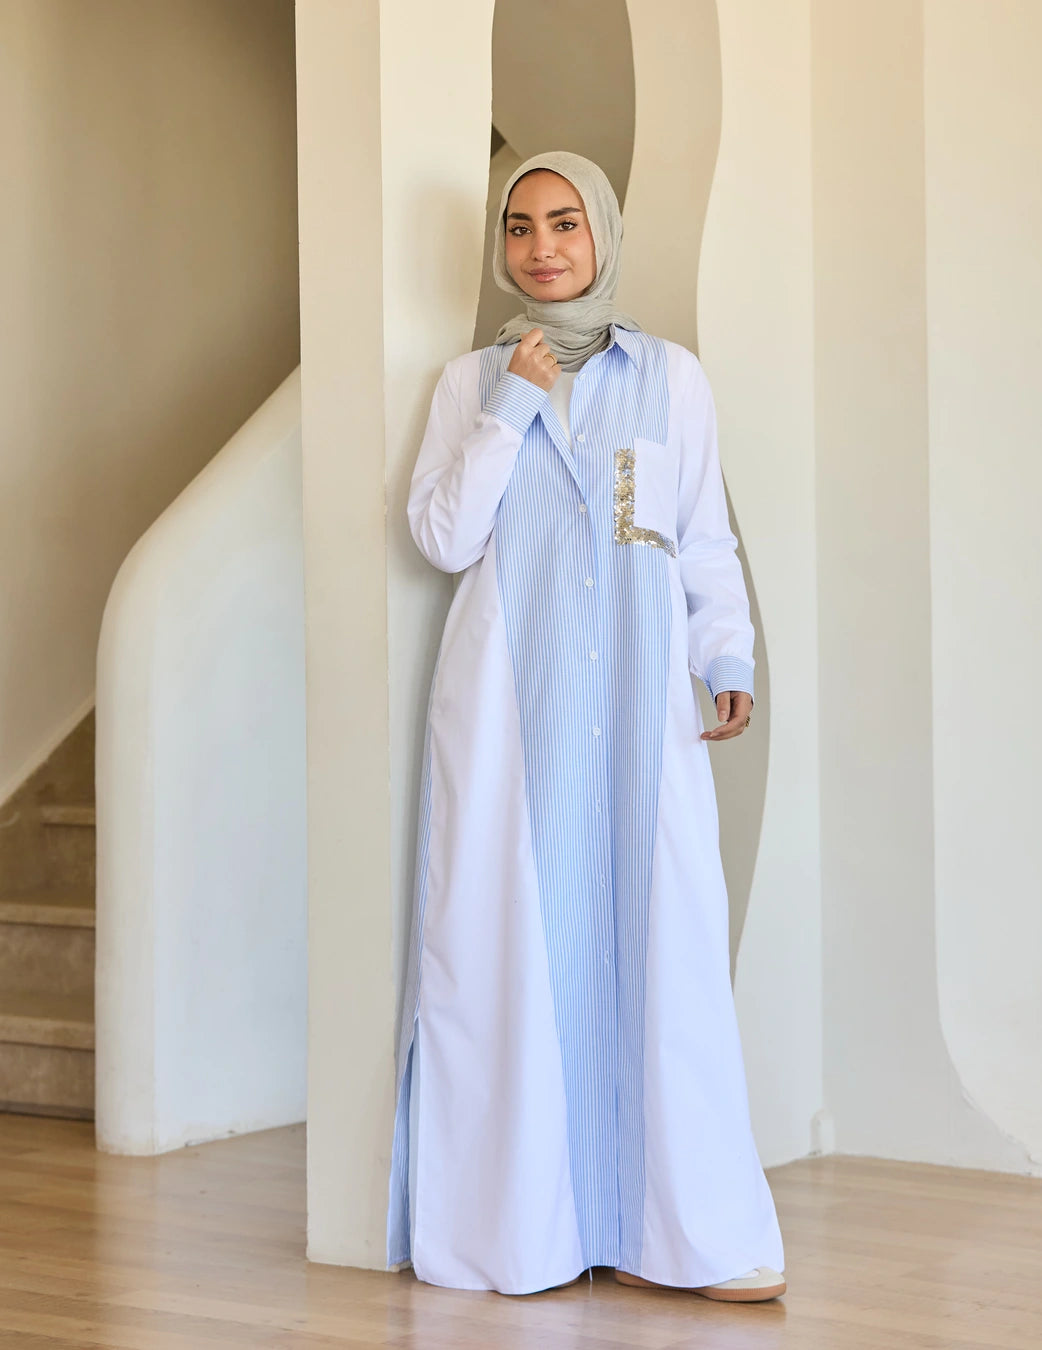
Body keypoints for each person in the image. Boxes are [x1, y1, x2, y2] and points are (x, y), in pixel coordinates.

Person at [387, 149, 786, 1302]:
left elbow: (700, 533)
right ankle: (525, 1234)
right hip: (511, 715)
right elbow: (442, 538)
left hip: (641, 706)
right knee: (510, 952)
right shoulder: (468, 383)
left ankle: (689, 1235)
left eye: (565, 223)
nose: (543, 247)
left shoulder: (671, 378)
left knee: (665, 945)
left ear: (603, 234)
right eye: (520, 227)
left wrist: (725, 652)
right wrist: (509, 408)